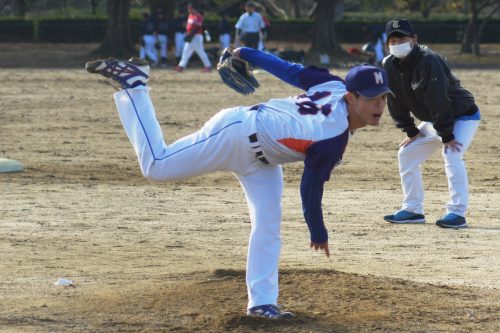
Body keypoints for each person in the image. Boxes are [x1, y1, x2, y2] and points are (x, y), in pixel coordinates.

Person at [86, 47, 392, 319]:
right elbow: (310, 190)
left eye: (383, 98)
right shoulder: (331, 139)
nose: (379, 106)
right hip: (234, 135)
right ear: (351, 97)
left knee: (268, 222)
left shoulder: (332, 84)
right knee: (156, 166)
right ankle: (135, 85)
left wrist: (246, 51)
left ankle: (262, 304)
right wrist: (318, 231)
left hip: (264, 161)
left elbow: (286, 69)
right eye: (371, 99)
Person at [382, 18, 480, 229]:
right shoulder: (388, 64)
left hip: (462, 116)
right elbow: (394, 99)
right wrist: (410, 130)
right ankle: (412, 210)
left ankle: (457, 213)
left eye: (402, 38)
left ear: (414, 39)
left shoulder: (430, 60)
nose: (397, 42)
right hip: (435, 119)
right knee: (406, 153)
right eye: (393, 39)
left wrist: (447, 136)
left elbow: (439, 99)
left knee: (452, 154)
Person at [174, 3, 212, 72]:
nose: (189, 10)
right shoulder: (190, 16)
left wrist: (191, 33)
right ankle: (181, 66)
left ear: (194, 9)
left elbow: (198, 26)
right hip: (190, 36)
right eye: (188, 8)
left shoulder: (198, 16)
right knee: (186, 51)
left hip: (196, 36)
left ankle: (208, 66)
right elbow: (189, 26)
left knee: (200, 52)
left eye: (190, 8)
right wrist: (187, 32)